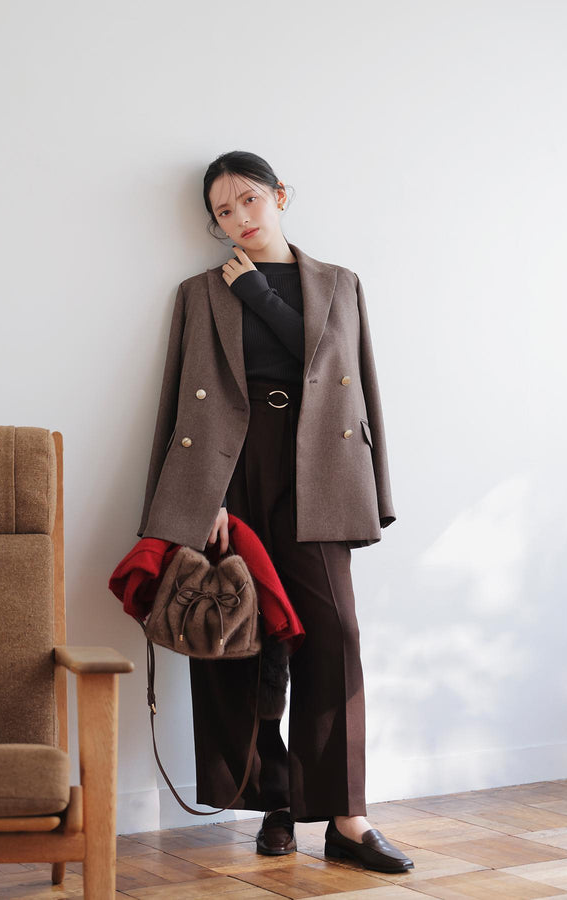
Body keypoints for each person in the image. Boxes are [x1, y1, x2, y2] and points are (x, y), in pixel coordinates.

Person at [138, 150, 413, 874]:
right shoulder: (198, 293)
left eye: (249, 200)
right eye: (222, 212)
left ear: (280, 195)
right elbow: (181, 403)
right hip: (232, 469)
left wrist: (258, 292)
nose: (238, 218)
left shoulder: (339, 283)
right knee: (241, 638)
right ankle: (276, 803)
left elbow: (343, 372)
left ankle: (348, 819)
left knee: (334, 634)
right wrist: (200, 498)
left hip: (318, 466)